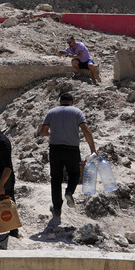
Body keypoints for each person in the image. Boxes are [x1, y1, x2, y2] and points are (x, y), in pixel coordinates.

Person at [38, 92, 96, 223]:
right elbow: (86, 130)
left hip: (55, 149)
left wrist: (51, 134)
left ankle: (57, 209)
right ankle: (69, 191)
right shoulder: (76, 112)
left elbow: (42, 132)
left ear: (60, 102)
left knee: (56, 178)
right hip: (72, 149)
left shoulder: (51, 112)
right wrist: (93, 149)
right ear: (72, 102)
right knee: (75, 173)